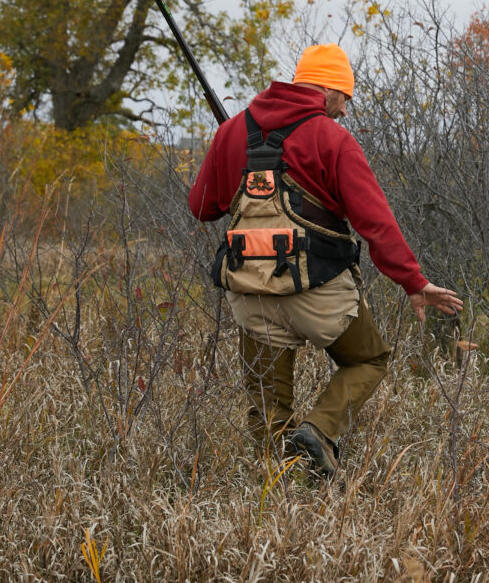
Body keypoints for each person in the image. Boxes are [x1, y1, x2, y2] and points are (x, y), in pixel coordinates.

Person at [188, 43, 462, 478]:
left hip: (250, 295)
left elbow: (202, 206)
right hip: (318, 294)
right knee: (369, 359)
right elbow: (376, 223)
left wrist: (234, 156)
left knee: (267, 409)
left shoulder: (232, 132)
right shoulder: (333, 139)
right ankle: (319, 430)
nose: (345, 110)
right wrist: (413, 281)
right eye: (345, 97)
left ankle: (275, 504)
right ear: (328, 89)